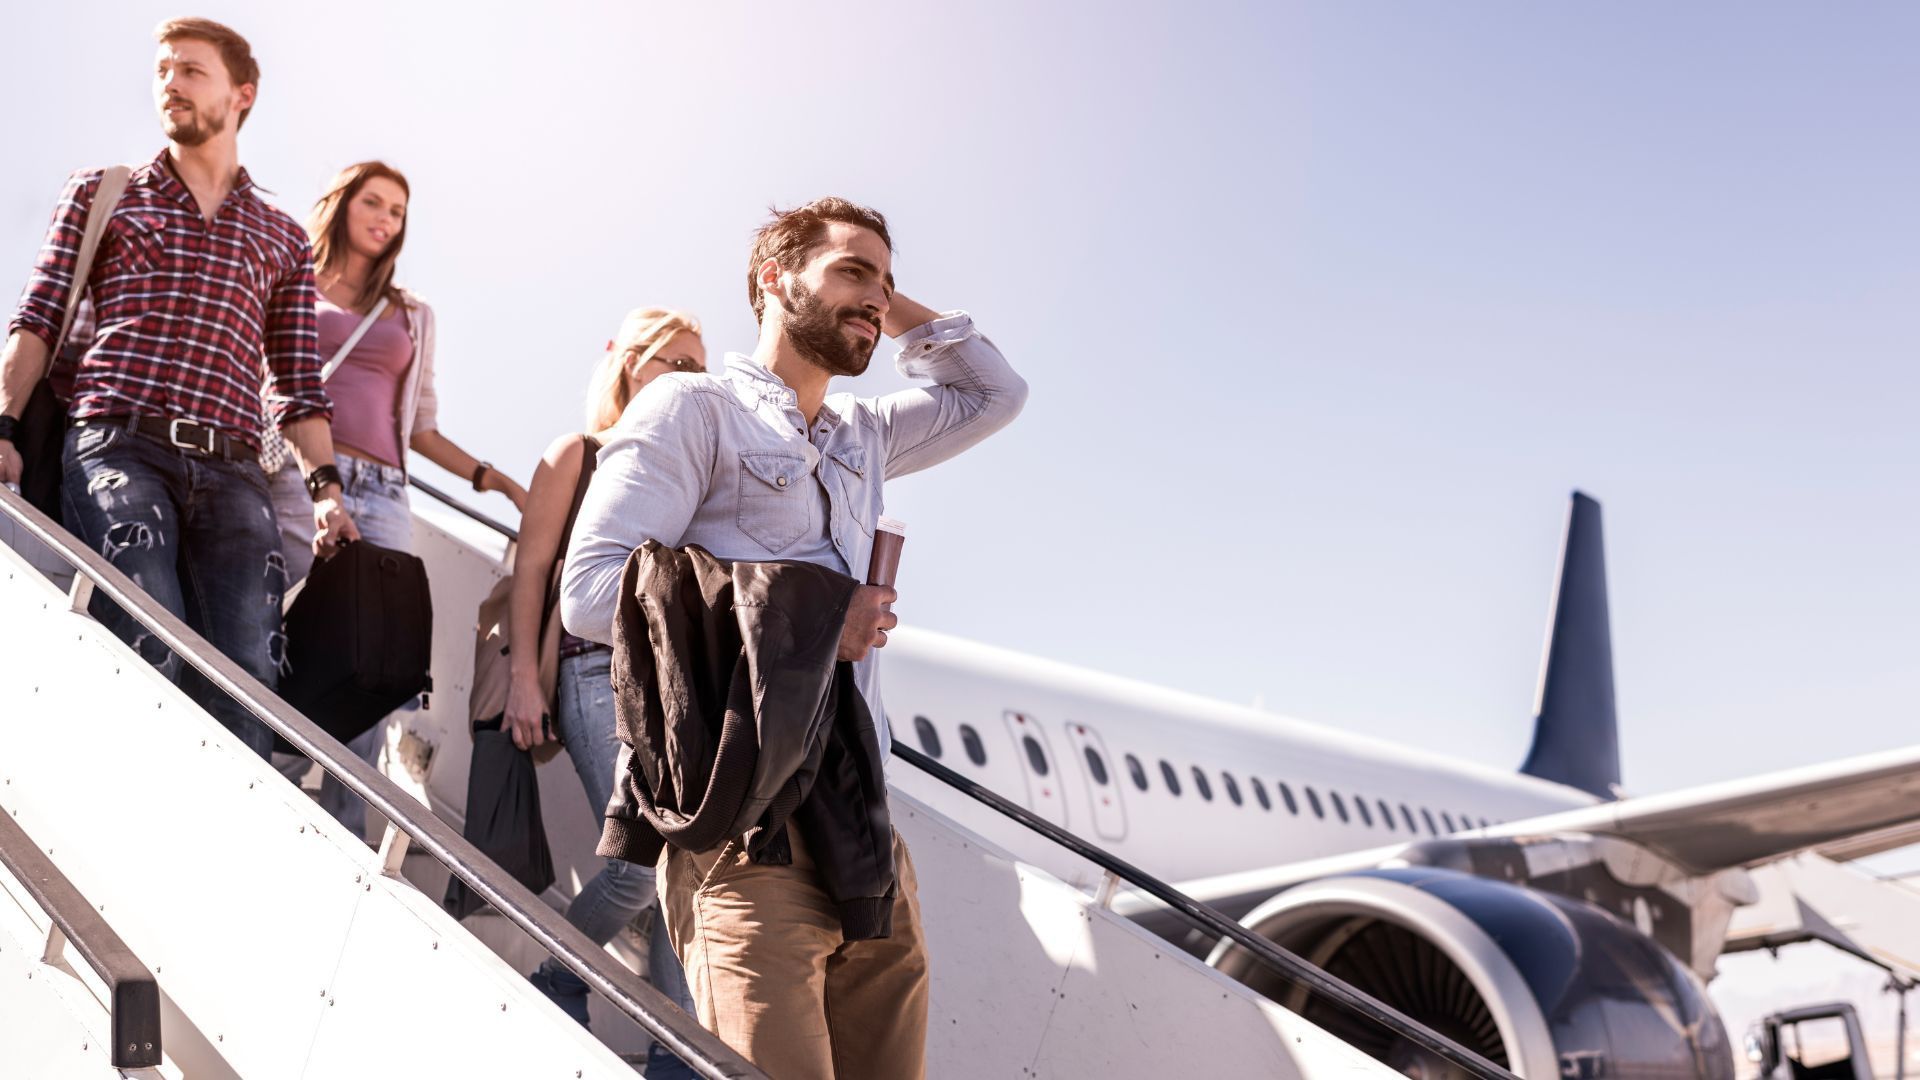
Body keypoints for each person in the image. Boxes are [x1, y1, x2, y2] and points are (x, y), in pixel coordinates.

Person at [561, 198, 1028, 1080]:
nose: (876, 296)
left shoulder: (867, 435)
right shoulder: (691, 408)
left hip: (863, 823)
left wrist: (873, 300)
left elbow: (993, 393)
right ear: (772, 280)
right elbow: (589, 596)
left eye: (886, 281)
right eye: (851, 270)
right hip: (742, 827)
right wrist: (814, 613)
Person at [0, 17, 358, 758]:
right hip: (116, 445)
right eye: (163, 70)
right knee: (147, 642)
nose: (170, 84)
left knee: (248, 688)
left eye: (192, 71)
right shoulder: (104, 193)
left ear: (242, 95)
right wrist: (3, 424)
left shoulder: (282, 236)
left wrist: (326, 491)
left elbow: (297, 384)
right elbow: (37, 318)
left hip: (236, 474)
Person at [268, 161, 528, 835]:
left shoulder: (413, 313)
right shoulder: (291, 283)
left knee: (375, 652)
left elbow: (421, 427)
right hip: (298, 476)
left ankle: (345, 821)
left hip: (384, 492)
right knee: (280, 629)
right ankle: (269, 775)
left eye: (398, 211)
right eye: (374, 203)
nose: (385, 219)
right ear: (342, 205)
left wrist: (494, 479)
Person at [509, 308, 703, 1075]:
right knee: (638, 864)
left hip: (669, 689)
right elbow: (532, 570)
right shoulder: (581, 454)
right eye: (673, 362)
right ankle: (556, 974)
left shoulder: (690, 475)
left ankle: (675, 1054)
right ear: (630, 365)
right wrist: (526, 679)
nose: (688, 378)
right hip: (591, 671)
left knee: (678, 874)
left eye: (698, 367)